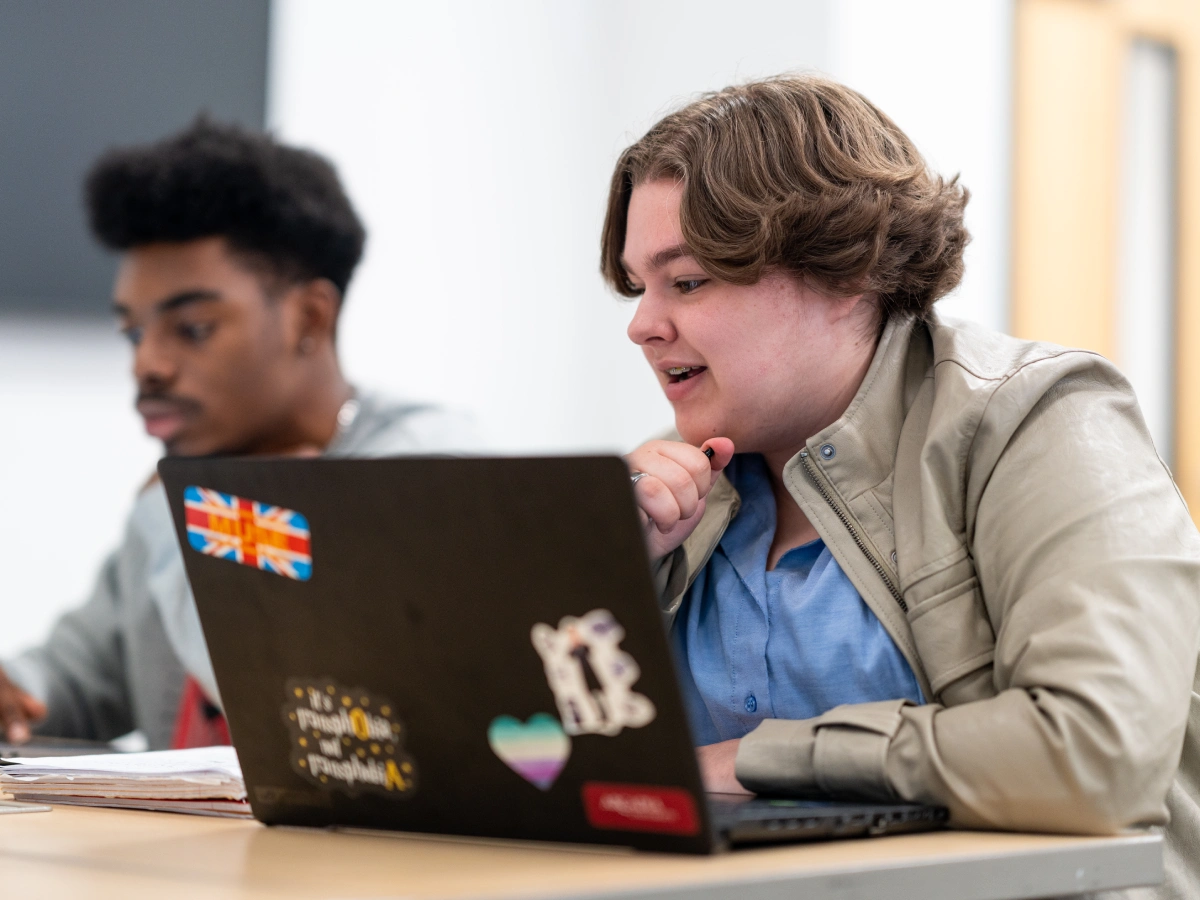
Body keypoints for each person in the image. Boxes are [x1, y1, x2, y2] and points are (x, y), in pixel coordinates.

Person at [605, 75, 1200, 898]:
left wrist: (756, 758)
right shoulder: (681, 490)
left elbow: (1097, 753)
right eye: (641, 287)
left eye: (690, 280)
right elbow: (521, 759)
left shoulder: (1040, 419)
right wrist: (607, 582)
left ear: (844, 270)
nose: (642, 324)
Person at [0, 118, 476, 750]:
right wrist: (18, 692)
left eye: (192, 328)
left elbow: (288, 687)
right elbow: (83, 674)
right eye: (135, 333)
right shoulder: (198, 474)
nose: (148, 364)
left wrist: (183, 513)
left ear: (309, 316)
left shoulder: (424, 468)